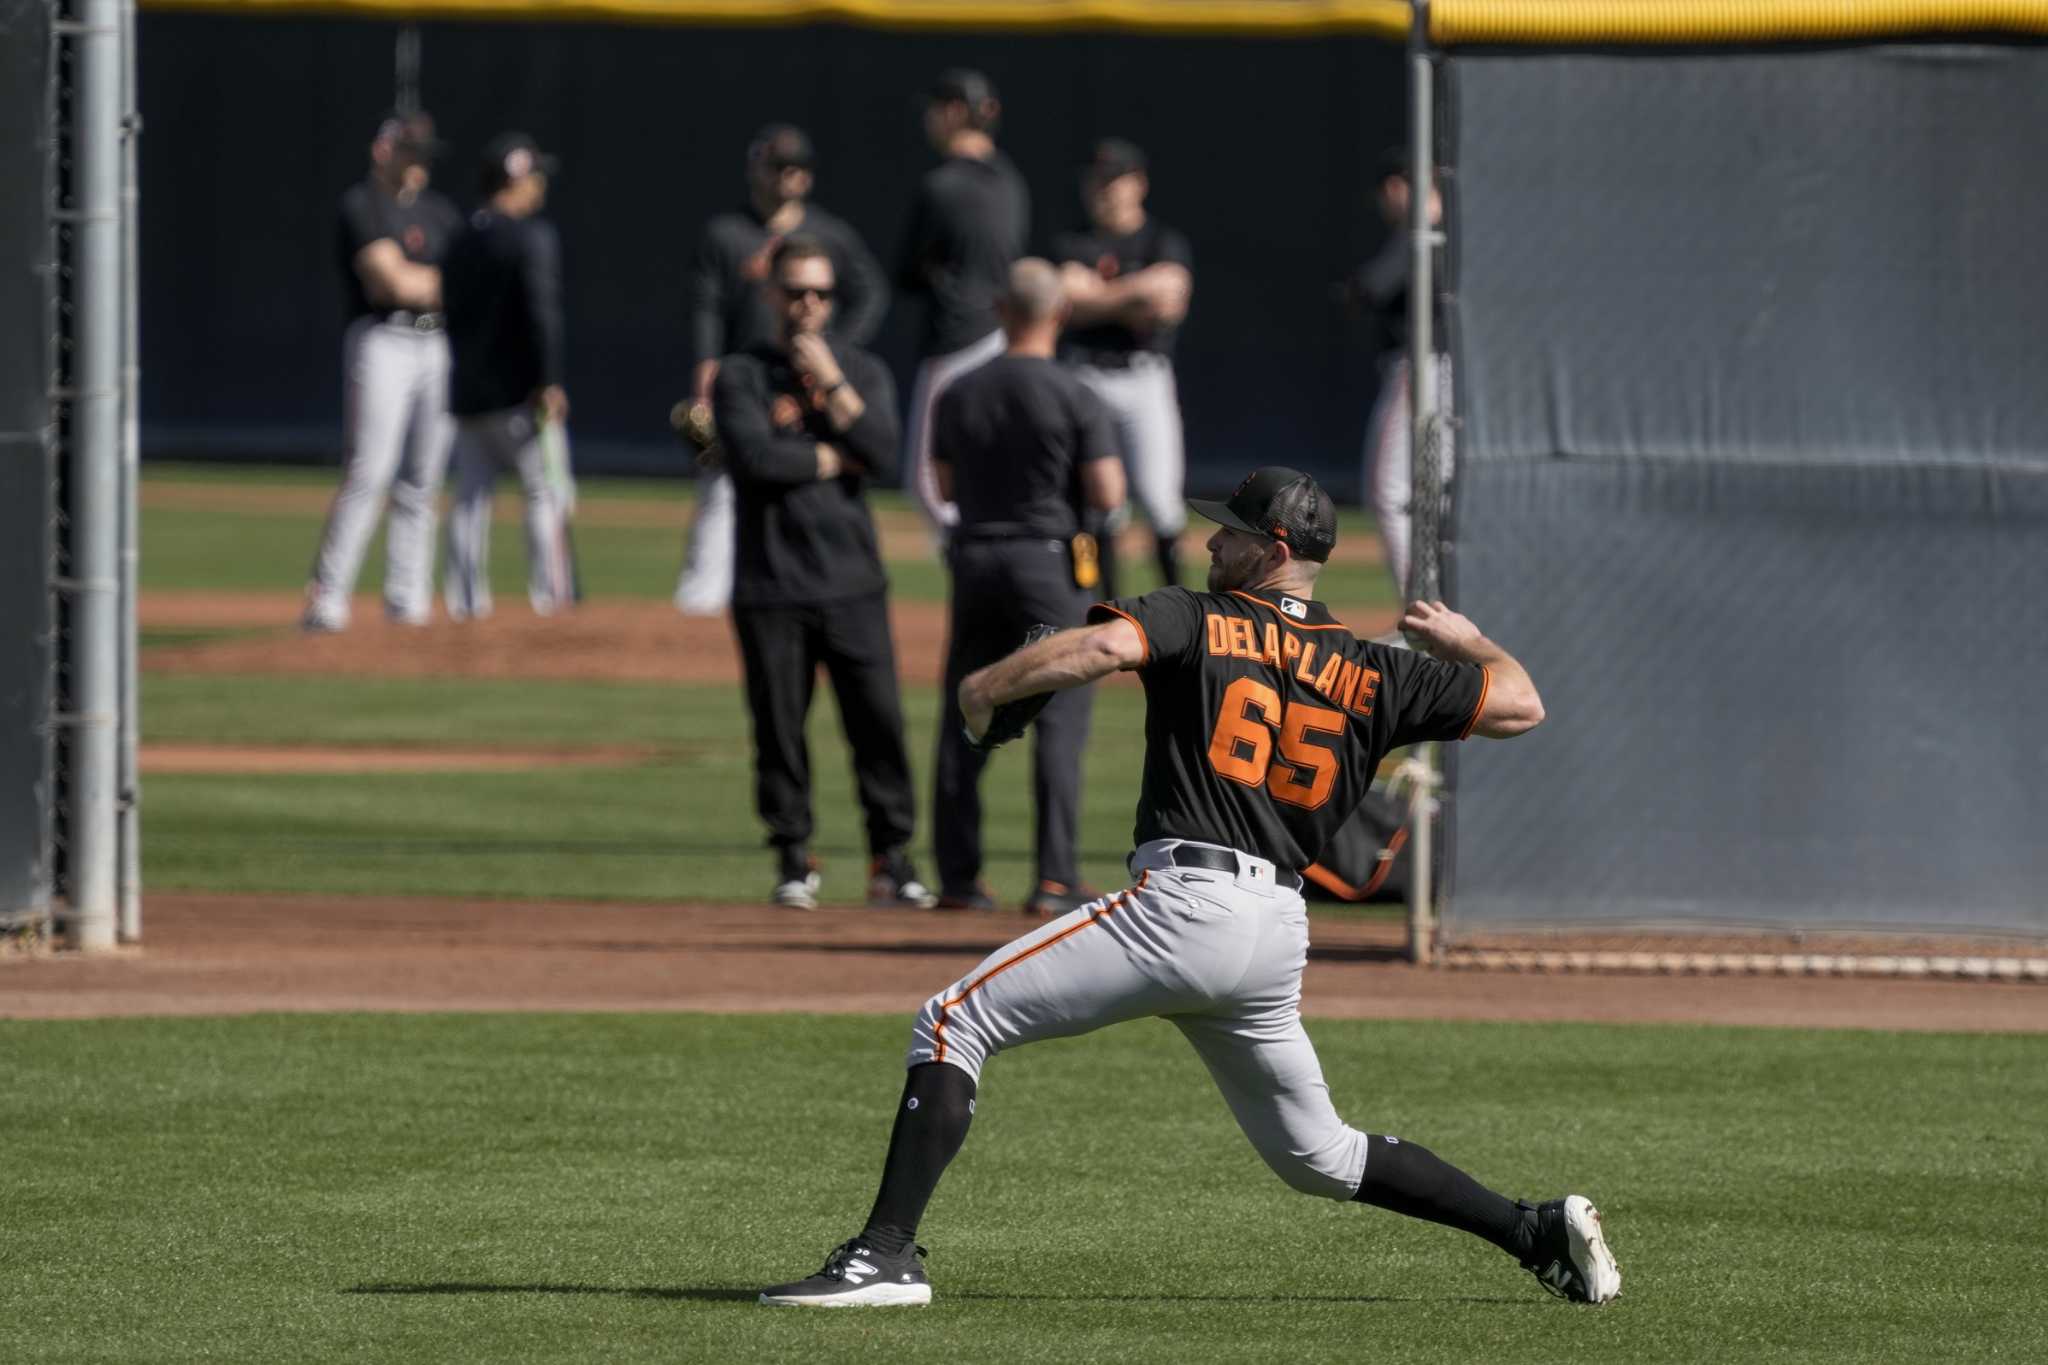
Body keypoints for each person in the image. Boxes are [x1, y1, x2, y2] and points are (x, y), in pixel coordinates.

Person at [758, 466, 1622, 1310]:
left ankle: (883, 1258)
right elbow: (1521, 704)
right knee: (1317, 1155)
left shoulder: (1195, 613)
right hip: (1277, 931)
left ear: (1272, 548)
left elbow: (1100, 645)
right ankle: (1530, 1230)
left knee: (954, 1019)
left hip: (1182, 907)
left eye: (1230, 529)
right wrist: (1469, 643)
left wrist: (982, 690)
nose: (1211, 538)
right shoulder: (1373, 668)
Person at [714, 235, 936, 912]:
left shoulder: (862, 371)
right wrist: (833, 458)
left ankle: (891, 857)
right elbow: (753, 459)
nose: (808, 304)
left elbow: (885, 451)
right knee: (779, 727)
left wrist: (832, 385)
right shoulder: (741, 374)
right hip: (770, 582)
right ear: (771, 294)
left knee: (878, 725)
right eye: (795, 291)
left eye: (820, 293)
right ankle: (793, 855)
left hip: (852, 579)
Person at [928, 260, 1126, 918]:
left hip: (977, 555)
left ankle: (958, 878)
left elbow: (946, 488)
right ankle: (1053, 877)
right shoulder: (1075, 393)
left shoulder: (957, 390)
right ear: (1060, 313)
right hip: (1047, 560)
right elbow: (1107, 492)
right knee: (1060, 718)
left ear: (998, 310)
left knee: (969, 709)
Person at [673, 124, 891, 617]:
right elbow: (705, 306)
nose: (787, 177)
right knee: (723, 482)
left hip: (812, 381)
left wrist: (837, 352)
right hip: (748, 375)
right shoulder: (727, 234)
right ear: (756, 170)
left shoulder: (829, 234)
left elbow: (871, 292)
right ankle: (698, 605)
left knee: (816, 487)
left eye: (796, 168)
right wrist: (707, 369)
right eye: (777, 167)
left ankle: (816, 588)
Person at [303, 111, 462, 632]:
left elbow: (466, 285)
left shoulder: (440, 212)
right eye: (412, 153)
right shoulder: (361, 206)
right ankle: (327, 598)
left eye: (426, 155)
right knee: (369, 471)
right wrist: (446, 282)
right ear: (384, 151)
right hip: (383, 339)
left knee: (422, 479)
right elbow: (392, 285)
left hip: (436, 342)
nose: (421, 164)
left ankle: (408, 599)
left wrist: (440, 283)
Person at [439, 133, 575, 621]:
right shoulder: (531, 237)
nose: (541, 186)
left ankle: (465, 605)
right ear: (517, 180)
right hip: (520, 392)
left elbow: (448, 315)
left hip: (469, 392)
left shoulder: (459, 238)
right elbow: (542, 315)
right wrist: (549, 379)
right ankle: (550, 601)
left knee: (471, 498)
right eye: (536, 176)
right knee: (543, 493)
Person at [1053, 139, 1194, 594]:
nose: (1104, 190)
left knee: (1160, 501)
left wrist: (1095, 297)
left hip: (1143, 378)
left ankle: (1180, 611)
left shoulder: (1162, 239)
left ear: (1139, 184)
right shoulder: (1072, 241)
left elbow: (1169, 302)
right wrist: (1134, 296)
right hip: (1085, 378)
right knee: (1098, 505)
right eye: (1097, 181)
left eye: (1115, 180)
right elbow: (1065, 301)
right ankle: (1103, 608)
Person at [896, 69, 1031, 533]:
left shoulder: (941, 185)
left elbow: (908, 271)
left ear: (954, 111)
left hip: (955, 342)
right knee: (991, 476)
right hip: (1003, 340)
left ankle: (979, 572)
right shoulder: (1012, 183)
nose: (930, 120)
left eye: (935, 110)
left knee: (929, 486)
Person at [1343, 150, 1451, 599]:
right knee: (1438, 490)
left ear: (1396, 187)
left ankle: (1422, 609)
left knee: (1387, 489)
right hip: (1449, 369)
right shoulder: (1448, 233)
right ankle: (1444, 606)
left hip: (1421, 366)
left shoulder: (1422, 235)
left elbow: (1366, 289)